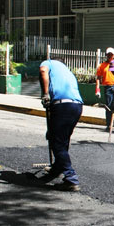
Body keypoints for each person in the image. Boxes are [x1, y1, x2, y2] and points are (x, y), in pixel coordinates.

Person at [39, 59, 83, 192]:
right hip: (77, 106)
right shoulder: (66, 71)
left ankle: (71, 178)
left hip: (62, 105)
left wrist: (45, 94)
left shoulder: (48, 63)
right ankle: (58, 167)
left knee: (57, 143)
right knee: (62, 140)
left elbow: (43, 71)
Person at [95, 47, 114, 130]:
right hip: (108, 87)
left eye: (111, 55)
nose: (109, 56)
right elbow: (98, 78)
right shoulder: (102, 66)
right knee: (109, 106)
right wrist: (97, 90)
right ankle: (109, 125)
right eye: (108, 55)